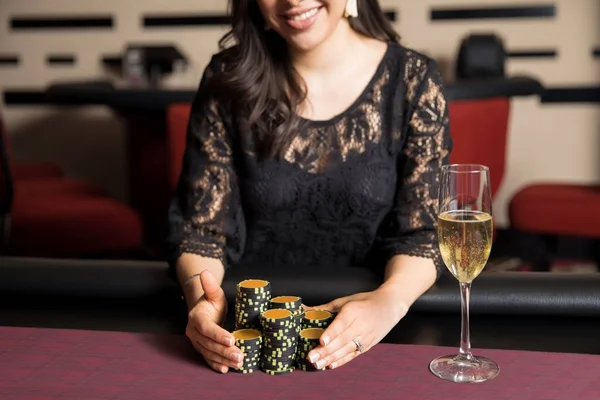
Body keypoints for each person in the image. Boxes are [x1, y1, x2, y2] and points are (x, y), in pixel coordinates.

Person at [166, 0, 452, 374]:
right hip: (253, 339)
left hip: (382, 332)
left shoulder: (413, 79)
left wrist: (390, 301)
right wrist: (201, 302)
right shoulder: (226, 79)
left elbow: (423, 232)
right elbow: (202, 229)